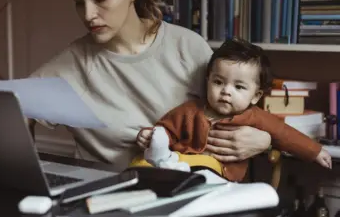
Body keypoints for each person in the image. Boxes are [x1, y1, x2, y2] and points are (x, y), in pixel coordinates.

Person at [0, 0, 272, 169]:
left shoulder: (187, 47)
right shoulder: (69, 65)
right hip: (106, 200)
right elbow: (11, 113)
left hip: (190, 193)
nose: (89, 14)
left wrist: (264, 139)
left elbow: (236, 111)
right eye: (79, 2)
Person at [134, 39, 332, 182]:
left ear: (256, 96)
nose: (226, 91)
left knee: (203, 172)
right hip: (181, 161)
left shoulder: (254, 117)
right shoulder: (190, 110)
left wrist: (314, 151)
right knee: (146, 161)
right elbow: (167, 128)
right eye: (218, 82)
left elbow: (285, 134)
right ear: (208, 81)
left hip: (221, 172)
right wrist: (151, 136)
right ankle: (162, 164)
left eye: (239, 87)